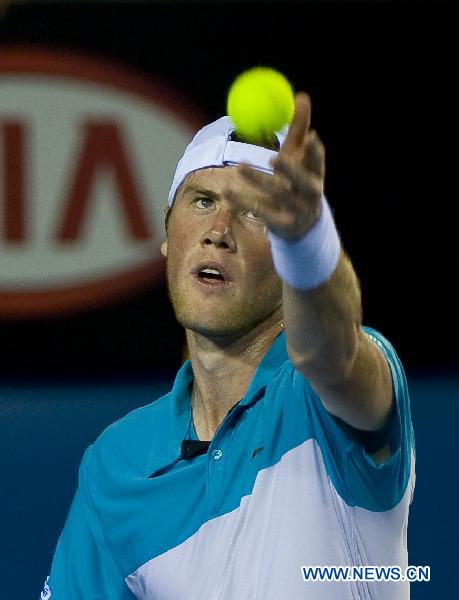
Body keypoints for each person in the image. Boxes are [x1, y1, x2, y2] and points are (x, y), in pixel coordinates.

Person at [41, 92, 415, 600]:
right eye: (202, 202)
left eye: (254, 213)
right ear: (168, 236)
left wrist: (310, 245)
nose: (219, 232)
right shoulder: (116, 465)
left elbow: (334, 351)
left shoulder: (327, 396)